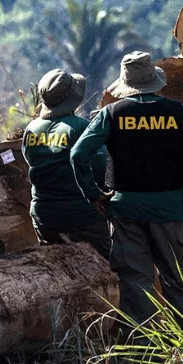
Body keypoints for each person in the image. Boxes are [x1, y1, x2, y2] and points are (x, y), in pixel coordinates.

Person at [70, 51, 183, 328]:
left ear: (126, 83)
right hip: (168, 210)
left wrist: (93, 194)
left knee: (136, 284)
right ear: (153, 80)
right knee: (178, 282)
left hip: (125, 211)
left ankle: (140, 357)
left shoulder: (111, 114)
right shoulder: (177, 113)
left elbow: (78, 155)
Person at [21, 69, 111, 260]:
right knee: (112, 266)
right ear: (72, 100)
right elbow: (99, 166)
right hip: (82, 215)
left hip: (43, 215)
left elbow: (30, 160)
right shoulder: (79, 126)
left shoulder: (31, 129)